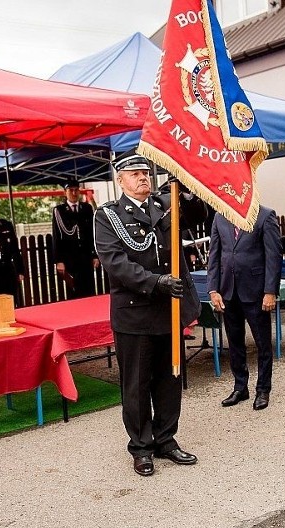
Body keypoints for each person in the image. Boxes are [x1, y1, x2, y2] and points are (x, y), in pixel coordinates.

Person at [94, 154, 204, 477]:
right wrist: (156, 282)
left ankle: (166, 439)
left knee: (170, 379)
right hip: (135, 314)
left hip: (168, 312)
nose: (143, 178)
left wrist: (187, 188)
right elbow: (116, 264)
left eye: (146, 172)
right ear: (120, 180)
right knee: (137, 385)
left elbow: (198, 215)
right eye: (135, 173)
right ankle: (141, 447)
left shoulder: (164, 204)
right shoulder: (108, 216)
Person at [207, 205, 282, 411]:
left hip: (256, 292)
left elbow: (273, 256)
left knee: (262, 343)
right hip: (228, 291)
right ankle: (241, 387)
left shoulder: (265, 215)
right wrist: (213, 289)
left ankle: (263, 389)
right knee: (235, 342)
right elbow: (214, 255)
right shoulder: (220, 216)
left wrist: (270, 291)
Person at [52, 179, 99, 299]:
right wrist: (59, 260)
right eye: (70, 190)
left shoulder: (87, 208)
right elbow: (57, 236)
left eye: (76, 190)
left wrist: (94, 255)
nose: (74, 193)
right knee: (73, 291)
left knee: (89, 289)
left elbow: (92, 233)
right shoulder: (59, 211)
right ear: (65, 192)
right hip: (69, 257)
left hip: (85, 256)